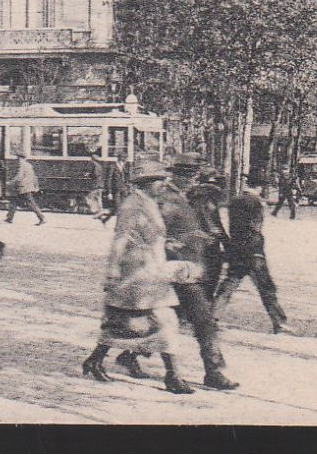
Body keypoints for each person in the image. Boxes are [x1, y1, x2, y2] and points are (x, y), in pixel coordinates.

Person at [81, 158, 195, 395]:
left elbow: (148, 235)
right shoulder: (133, 205)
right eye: (159, 181)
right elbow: (121, 239)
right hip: (136, 273)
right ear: (147, 182)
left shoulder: (148, 202)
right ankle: (173, 376)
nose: (163, 184)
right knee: (164, 321)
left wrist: (167, 244)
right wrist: (112, 272)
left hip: (150, 271)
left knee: (124, 324)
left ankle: (94, 360)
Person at [154, 153, 235, 390]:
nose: (191, 180)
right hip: (175, 268)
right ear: (174, 174)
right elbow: (156, 234)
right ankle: (211, 372)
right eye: (186, 176)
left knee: (175, 318)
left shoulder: (189, 198)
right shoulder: (165, 199)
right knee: (203, 320)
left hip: (194, 268)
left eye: (193, 175)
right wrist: (177, 241)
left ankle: (129, 355)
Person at [215, 185, 291, 333]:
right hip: (253, 251)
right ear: (258, 187)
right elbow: (256, 227)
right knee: (265, 286)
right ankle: (279, 322)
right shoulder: (255, 202)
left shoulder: (234, 201)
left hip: (237, 248)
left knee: (229, 285)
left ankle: (213, 318)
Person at [189, 167, 229, 298]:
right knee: (211, 275)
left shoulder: (191, 194)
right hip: (209, 241)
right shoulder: (209, 197)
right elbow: (214, 223)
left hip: (193, 240)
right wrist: (227, 244)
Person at [4, 153, 46, 225]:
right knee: (14, 201)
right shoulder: (29, 165)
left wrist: (10, 183)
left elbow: (19, 176)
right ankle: (9, 218)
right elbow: (34, 176)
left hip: (23, 188)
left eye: (18, 158)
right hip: (26, 187)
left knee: (30, 203)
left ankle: (41, 217)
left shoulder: (22, 165)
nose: (17, 159)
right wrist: (35, 186)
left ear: (21, 158)